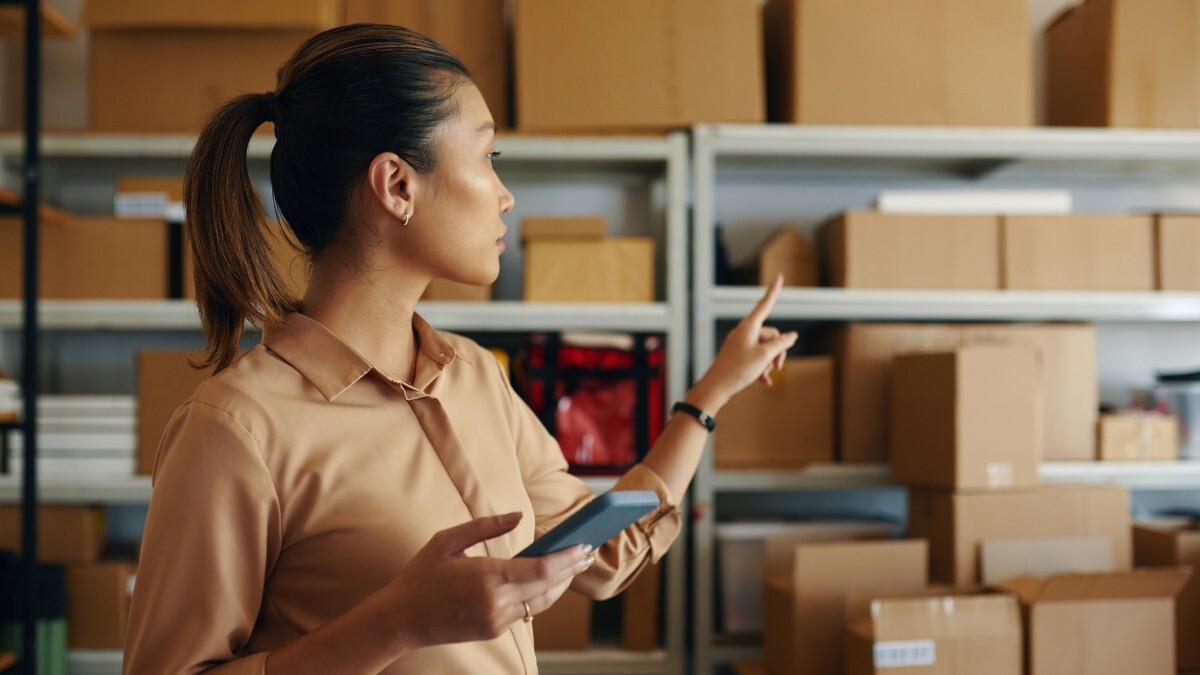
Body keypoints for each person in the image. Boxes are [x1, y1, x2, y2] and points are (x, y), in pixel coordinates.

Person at [123, 24, 797, 675]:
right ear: (396, 185)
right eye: (487, 156)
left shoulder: (476, 377)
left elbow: (605, 552)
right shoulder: (236, 428)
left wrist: (712, 392)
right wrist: (395, 622)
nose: (505, 196)